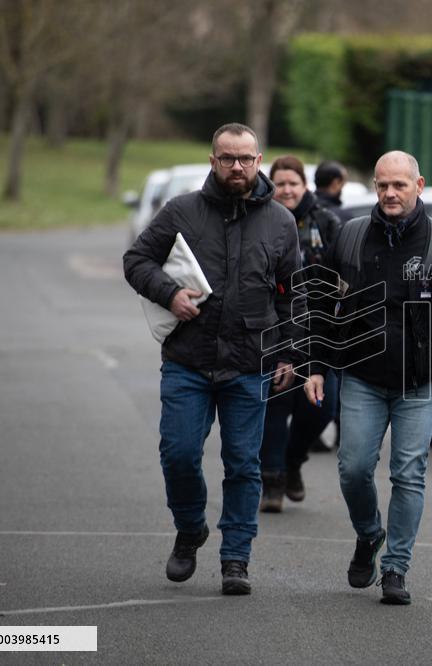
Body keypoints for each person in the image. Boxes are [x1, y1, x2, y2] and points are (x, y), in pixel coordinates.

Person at [124, 123, 305, 596]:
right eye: (228, 158)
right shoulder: (182, 211)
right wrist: (169, 294)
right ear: (213, 161)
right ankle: (190, 529)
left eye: (245, 158)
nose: (238, 167)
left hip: (250, 364)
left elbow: (292, 297)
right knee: (178, 454)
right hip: (188, 359)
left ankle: (236, 559)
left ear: (260, 160)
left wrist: (290, 354)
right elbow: (136, 260)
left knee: (244, 464)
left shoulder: (282, 223)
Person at [303, 150, 432, 605]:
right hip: (362, 377)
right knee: (353, 469)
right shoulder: (349, 238)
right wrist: (315, 364)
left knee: (409, 473)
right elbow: (322, 307)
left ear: (418, 186)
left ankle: (395, 568)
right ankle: (370, 534)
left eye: (399, 185)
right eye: (382, 185)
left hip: (420, 384)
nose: (389, 193)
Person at [259, 155, 342, 513]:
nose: (287, 190)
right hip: (274, 333)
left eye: (294, 182)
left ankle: (293, 463)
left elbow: (345, 272)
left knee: (321, 410)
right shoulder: (260, 219)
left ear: (305, 185)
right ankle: (273, 481)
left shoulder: (327, 222)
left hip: (320, 335)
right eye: (281, 183)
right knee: (275, 408)